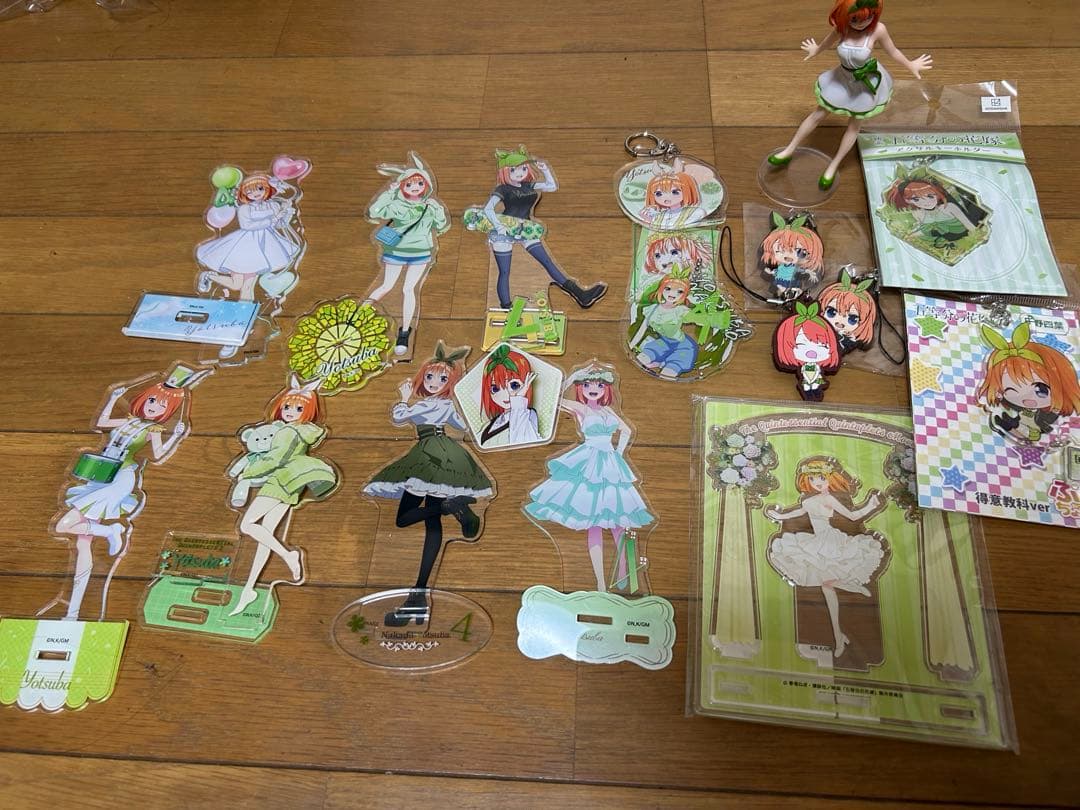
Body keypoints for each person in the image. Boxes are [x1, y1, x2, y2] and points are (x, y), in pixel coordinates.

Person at [363, 344, 493, 625]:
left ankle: (447, 509)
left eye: (443, 379)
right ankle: (419, 594)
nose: (434, 383)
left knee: (405, 519)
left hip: (428, 455)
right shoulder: (446, 406)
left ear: (450, 383)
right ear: (423, 378)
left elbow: (400, 416)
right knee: (431, 526)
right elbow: (464, 426)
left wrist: (404, 397)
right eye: (430, 377)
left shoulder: (425, 405)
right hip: (446, 456)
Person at [768, 0, 932, 189]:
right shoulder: (842, 28)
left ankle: (833, 165)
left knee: (854, 125)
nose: (862, 23)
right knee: (818, 114)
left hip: (864, 83)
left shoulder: (878, 30)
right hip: (841, 79)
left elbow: (892, 51)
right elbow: (827, 43)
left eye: (869, 16)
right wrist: (816, 50)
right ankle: (789, 150)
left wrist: (910, 64)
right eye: (855, 19)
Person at [525, 365, 653, 592]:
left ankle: (623, 569)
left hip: (610, 463)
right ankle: (601, 582)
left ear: (606, 389)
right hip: (589, 460)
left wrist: (619, 452)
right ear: (580, 388)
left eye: (599, 385)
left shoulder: (609, 411)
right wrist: (572, 376)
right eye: (586, 385)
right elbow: (555, 398)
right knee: (594, 524)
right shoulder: (581, 409)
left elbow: (626, 431)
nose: (593, 389)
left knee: (618, 521)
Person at [228, 376, 338, 616]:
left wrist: (249, 472)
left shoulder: (288, 431)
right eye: (288, 406)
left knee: (247, 525)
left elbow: (276, 458)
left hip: (281, 479)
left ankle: (288, 555)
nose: (290, 412)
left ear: (308, 411)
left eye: (298, 409)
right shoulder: (302, 431)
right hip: (295, 482)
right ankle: (249, 588)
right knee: (266, 535)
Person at [765, 457, 886, 658]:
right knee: (827, 585)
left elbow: (853, 516)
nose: (818, 482)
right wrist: (778, 516)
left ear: (831, 478)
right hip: (816, 543)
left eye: (822, 478)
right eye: (813, 479)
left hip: (831, 542)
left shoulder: (829, 499)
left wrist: (871, 506)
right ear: (807, 482)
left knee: (827, 585)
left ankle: (840, 630)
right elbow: (796, 513)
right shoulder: (808, 501)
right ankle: (841, 626)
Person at [365, 154, 450, 355]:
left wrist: (438, 211)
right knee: (386, 285)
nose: (414, 187)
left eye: (419, 183)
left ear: (426, 185)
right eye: (409, 184)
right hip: (396, 250)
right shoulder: (397, 205)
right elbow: (374, 211)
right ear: (402, 185)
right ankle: (357, 315)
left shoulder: (430, 207)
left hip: (421, 252)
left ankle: (404, 332)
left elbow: (442, 226)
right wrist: (389, 192)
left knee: (409, 289)